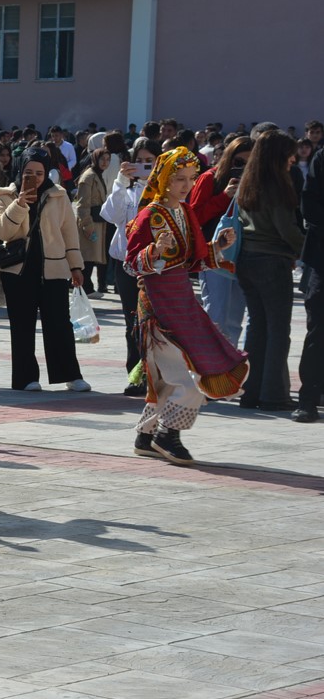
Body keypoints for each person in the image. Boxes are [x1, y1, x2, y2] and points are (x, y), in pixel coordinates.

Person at [125, 147, 249, 464]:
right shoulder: (149, 216)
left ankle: (145, 435)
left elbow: (193, 260)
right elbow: (130, 264)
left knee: (168, 378)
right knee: (187, 379)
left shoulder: (184, 212)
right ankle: (168, 435)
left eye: (191, 179)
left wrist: (218, 246)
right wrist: (153, 251)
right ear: (164, 177)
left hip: (183, 302)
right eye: (179, 179)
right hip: (157, 308)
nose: (186, 185)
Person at [0, 145, 91, 392]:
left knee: (59, 324)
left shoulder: (59, 195)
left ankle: (70, 374)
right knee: (22, 326)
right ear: (20, 170)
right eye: (29, 172)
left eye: (39, 172)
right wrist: (20, 203)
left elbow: (69, 233)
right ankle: (26, 378)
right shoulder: (5, 195)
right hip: (18, 271)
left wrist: (76, 267)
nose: (34, 177)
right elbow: (2, 230)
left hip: (54, 269)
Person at [236, 131, 306, 413]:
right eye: (290, 154)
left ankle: (251, 391)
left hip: (247, 260)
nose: (293, 159)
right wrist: (308, 251)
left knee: (257, 327)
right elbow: (286, 229)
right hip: (272, 261)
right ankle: (275, 395)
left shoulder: (248, 182)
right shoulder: (277, 185)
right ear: (278, 155)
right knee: (278, 330)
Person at [100, 139, 158, 396]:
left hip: (157, 267)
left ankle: (157, 375)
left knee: (156, 323)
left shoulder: (166, 191)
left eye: (151, 161)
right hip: (128, 266)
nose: (145, 166)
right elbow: (110, 215)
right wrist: (121, 183)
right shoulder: (127, 190)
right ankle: (136, 375)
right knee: (132, 322)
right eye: (140, 161)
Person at [191, 135, 252, 345]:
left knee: (235, 321)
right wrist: (224, 197)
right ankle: (209, 370)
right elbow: (195, 216)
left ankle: (229, 370)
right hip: (214, 256)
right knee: (216, 317)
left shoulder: (257, 182)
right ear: (229, 158)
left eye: (249, 162)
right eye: (239, 162)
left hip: (243, 257)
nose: (244, 166)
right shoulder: (211, 178)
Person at [300, 130, 324, 423]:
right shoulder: (321, 159)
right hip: (322, 260)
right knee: (318, 329)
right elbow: (310, 203)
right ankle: (308, 398)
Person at [75, 148, 111, 297]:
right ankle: (85, 287)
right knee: (87, 256)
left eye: (108, 159)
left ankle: (86, 286)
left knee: (90, 256)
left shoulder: (97, 175)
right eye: (102, 159)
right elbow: (82, 204)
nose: (105, 162)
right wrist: (87, 225)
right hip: (90, 221)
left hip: (97, 220)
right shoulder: (89, 176)